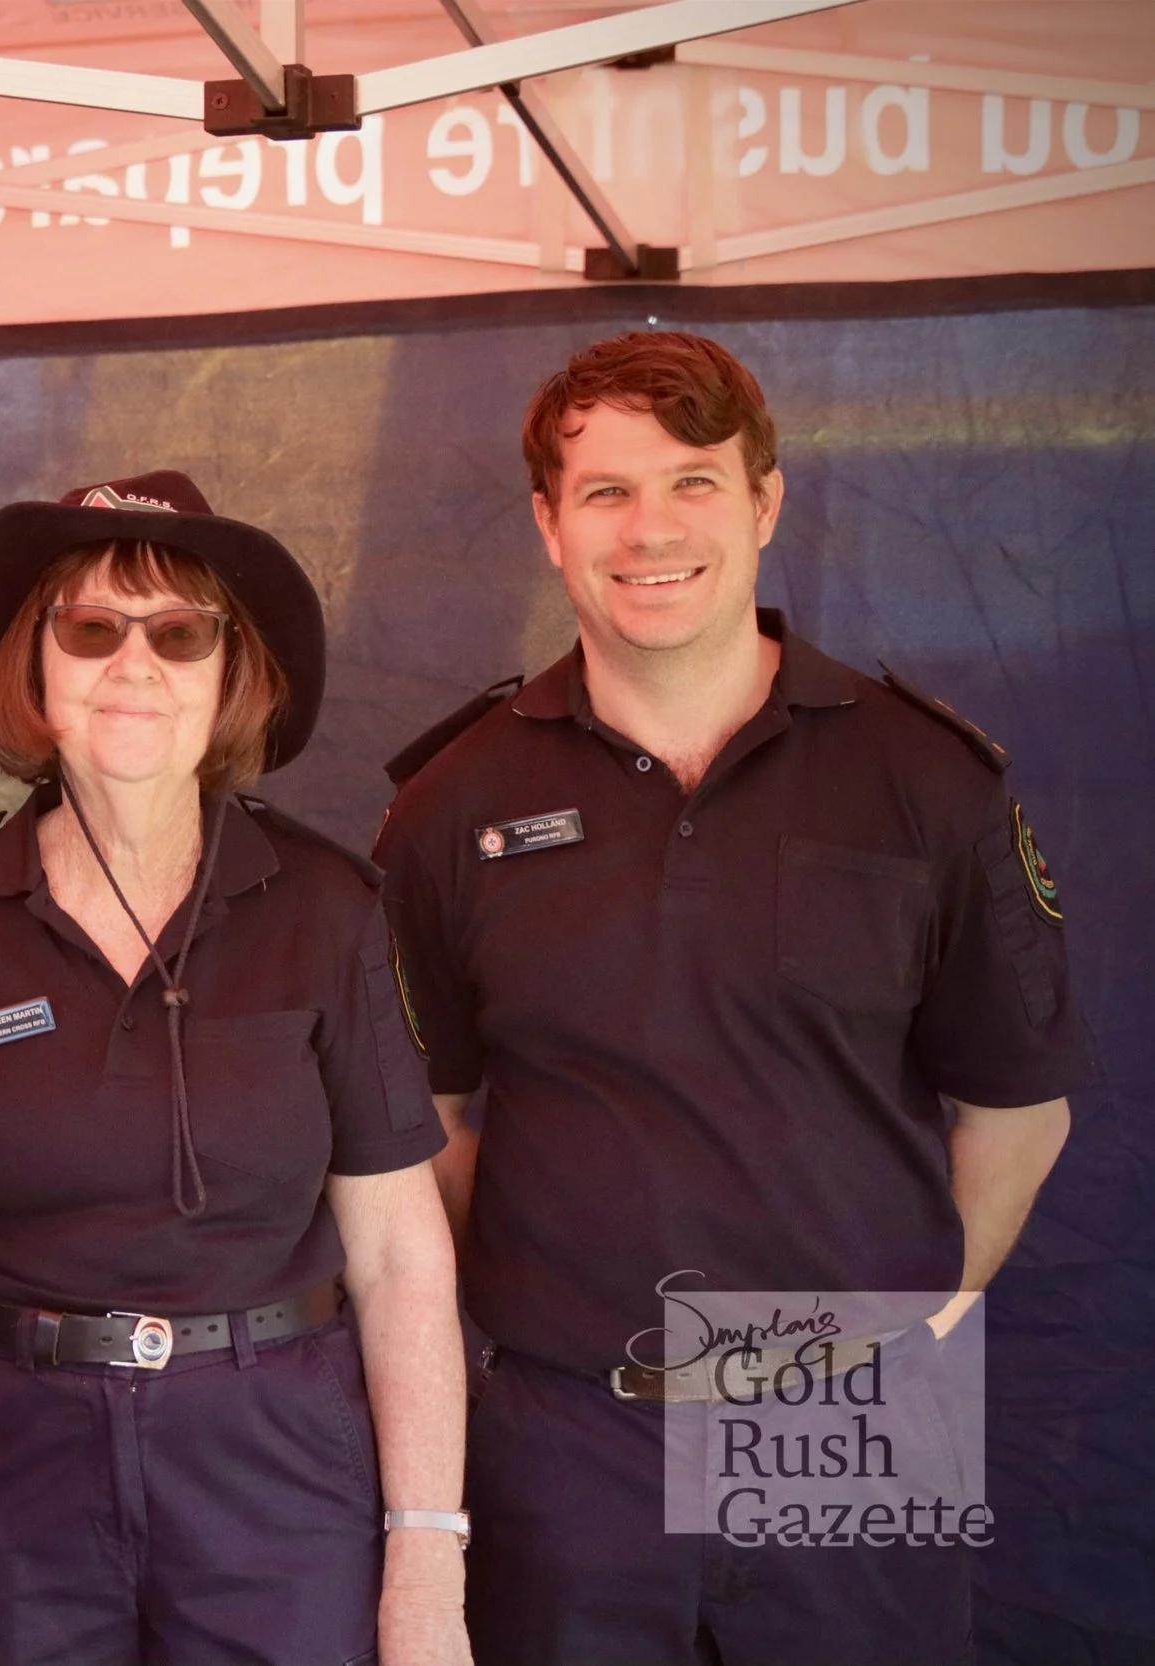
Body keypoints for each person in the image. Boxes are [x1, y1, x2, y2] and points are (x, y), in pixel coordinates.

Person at [372, 332, 1078, 1665]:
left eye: (693, 482)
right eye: (606, 491)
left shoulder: (926, 784)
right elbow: (431, 1117)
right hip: (568, 1427)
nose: (652, 530)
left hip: (848, 1403)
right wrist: (564, 1287)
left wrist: (908, 1324)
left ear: (765, 501)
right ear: (547, 521)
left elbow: (1018, 1109)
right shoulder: (448, 808)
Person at [0, 472, 471, 1666]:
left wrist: (424, 1563)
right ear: (33, 670)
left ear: (226, 673)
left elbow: (401, 1250)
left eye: (179, 633)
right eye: (91, 628)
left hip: (276, 1469)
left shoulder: (326, 907)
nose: (132, 664)